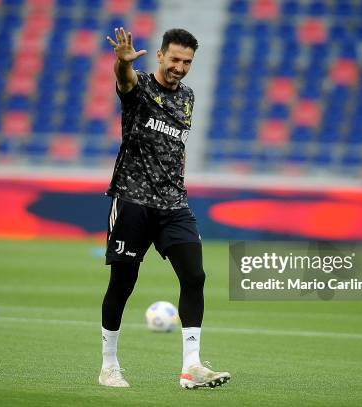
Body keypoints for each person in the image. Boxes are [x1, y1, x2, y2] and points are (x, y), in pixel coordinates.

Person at [98, 27, 231, 389]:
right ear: (159, 55)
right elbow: (124, 82)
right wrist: (121, 65)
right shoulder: (139, 86)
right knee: (123, 283)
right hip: (132, 199)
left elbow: (178, 146)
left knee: (195, 277)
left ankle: (192, 366)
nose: (180, 67)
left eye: (187, 62)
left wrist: (179, 179)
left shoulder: (187, 96)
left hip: (173, 202)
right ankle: (109, 365)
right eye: (174, 59)